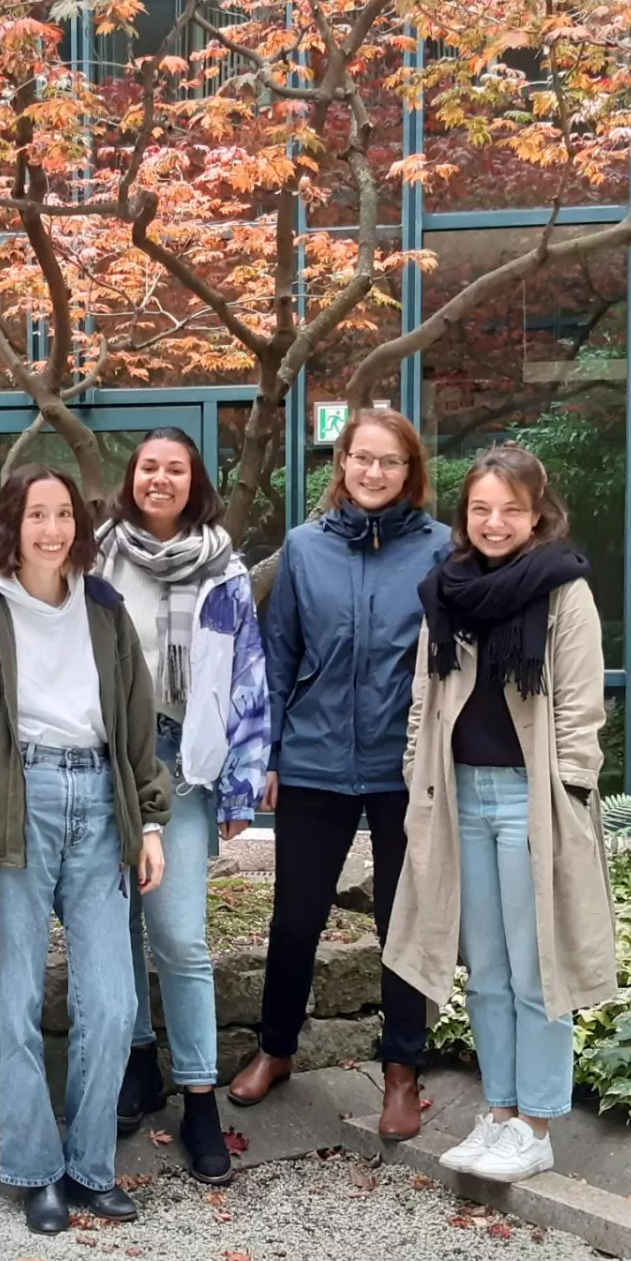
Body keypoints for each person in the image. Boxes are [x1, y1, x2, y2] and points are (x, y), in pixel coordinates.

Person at [0, 465, 172, 1235]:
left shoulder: (104, 608)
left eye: (64, 514)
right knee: (18, 1004)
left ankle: (90, 1167)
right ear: (13, 523)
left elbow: (136, 721)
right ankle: (36, 1172)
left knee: (114, 1003)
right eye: (36, 514)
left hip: (98, 803)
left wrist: (151, 823)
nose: (52, 529)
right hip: (15, 805)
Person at [384, 445, 615, 1181]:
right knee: (483, 969)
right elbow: (424, 697)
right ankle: (500, 1111)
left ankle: (536, 1125)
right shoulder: (445, 589)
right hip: (458, 796)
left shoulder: (563, 590)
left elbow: (581, 707)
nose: (494, 522)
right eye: (481, 508)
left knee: (537, 966)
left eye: (511, 509)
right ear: (465, 515)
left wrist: (569, 790)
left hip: (531, 800)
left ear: (538, 514)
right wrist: (416, 776)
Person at [227, 408, 451, 1142]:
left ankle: (402, 1071)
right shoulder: (304, 547)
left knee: (400, 922)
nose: (374, 472)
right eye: (362, 458)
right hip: (315, 759)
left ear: (410, 472)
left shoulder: (441, 549)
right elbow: (280, 653)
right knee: (296, 916)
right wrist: (269, 755)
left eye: (390, 461)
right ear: (342, 464)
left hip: (403, 765)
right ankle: (277, 1048)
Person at [97, 429, 267, 1185]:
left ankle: (200, 1097)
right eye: (148, 467)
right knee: (117, 925)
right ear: (131, 477)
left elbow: (249, 675)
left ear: (194, 482)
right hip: (109, 759)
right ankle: (139, 1063)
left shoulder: (223, 569)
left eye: (175, 469)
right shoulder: (96, 558)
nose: (159, 479)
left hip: (187, 764)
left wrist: (243, 780)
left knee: (180, 937)